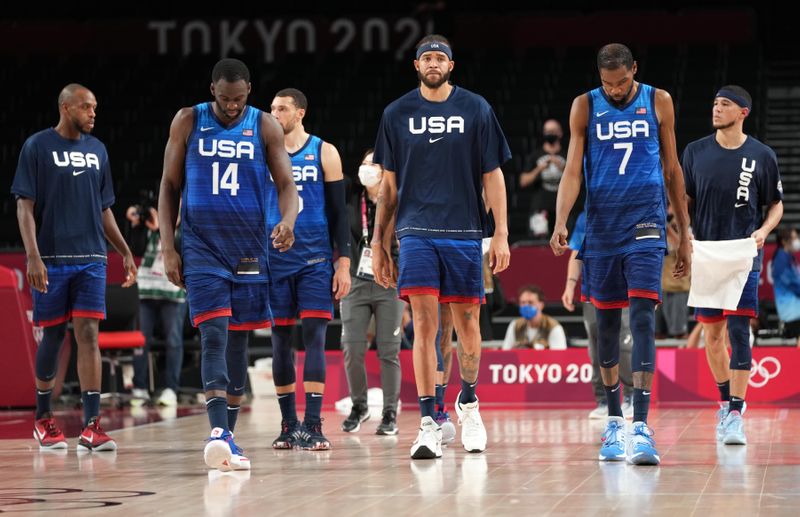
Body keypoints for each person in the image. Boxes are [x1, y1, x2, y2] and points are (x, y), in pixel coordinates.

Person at [371, 34, 511, 459]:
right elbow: (389, 188)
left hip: (465, 233)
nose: (433, 63)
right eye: (426, 58)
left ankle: (468, 403)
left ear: (452, 65)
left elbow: (494, 176)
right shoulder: (396, 113)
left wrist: (500, 232)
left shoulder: (475, 108)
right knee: (425, 328)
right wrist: (379, 243)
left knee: (468, 329)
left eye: (440, 58)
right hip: (414, 232)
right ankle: (429, 421)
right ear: (416, 65)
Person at [550, 43, 691, 465]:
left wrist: (684, 232)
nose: (614, 90)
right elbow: (573, 170)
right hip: (601, 225)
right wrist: (561, 221)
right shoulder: (584, 106)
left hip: (646, 223)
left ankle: (642, 425)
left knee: (644, 316)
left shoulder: (658, 99)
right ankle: (614, 421)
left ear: (635, 70)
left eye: (622, 82)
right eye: (607, 84)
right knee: (607, 322)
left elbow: (671, 168)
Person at [158, 59, 298, 471]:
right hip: (202, 246)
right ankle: (217, 431)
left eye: (239, 99)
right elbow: (168, 186)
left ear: (249, 91)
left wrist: (287, 222)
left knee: (237, 339)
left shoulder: (266, 126)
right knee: (214, 334)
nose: (232, 106)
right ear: (212, 90)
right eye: (225, 98)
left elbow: (287, 184)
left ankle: (228, 439)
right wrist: (169, 247)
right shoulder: (188, 120)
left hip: (250, 248)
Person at [12, 83, 137, 451]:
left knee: (88, 336)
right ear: (66, 108)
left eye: (95, 107)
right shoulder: (36, 146)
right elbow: (24, 207)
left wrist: (125, 250)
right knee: (53, 336)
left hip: (92, 260)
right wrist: (32, 254)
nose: (93, 113)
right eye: (86, 107)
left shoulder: (98, 150)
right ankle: (43, 417)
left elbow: (105, 209)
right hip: (50, 259)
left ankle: (91, 425)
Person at [682, 85, 783, 445]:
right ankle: (725, 402)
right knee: (712, 336)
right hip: (707, 252)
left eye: (724, 104)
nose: (716, 108)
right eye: (714, 103)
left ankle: (737, 412)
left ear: (743, 112)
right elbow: (684, 200)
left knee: (739, 334)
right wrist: (685, 233)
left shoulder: (762, 155)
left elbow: (775, 204)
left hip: (742, 253)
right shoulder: (694, 151)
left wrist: (764, 231)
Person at [267, 88, 351, 451]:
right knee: (279, 342)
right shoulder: (262, 152)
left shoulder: (324, 151)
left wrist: (343, 261)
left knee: (316, 338)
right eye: (271, 109)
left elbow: (339, 212)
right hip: (273, 261)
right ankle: (288, 425)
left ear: (300, 112)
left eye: (281, 108)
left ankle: (314, 424)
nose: (274, 114)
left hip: (315, 260)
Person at [340, 149, 404, 436]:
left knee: (389, 352)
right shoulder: (351, 197)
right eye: (364, 163)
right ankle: (359, 405)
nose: (367, 168)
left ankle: (390, 412)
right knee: (352, 347)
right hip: (356, 281)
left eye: (374, 164)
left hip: (389, 283)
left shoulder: (397, 200)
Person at [561, 211, 633, 419]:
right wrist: (570, 285)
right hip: (594, 289)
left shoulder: (630, 209)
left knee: (625, 342)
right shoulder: (586, 216)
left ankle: (630, 396)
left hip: (625, 287)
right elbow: (576, 252)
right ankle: (603, 400)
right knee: (596, 345)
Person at [125, 202, 187, 407]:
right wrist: (136, 225)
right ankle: (140, 387)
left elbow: (180, 249)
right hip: (147, 291)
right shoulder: (151, 226)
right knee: (141, 341)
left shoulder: (185, 228)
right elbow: (136, 249)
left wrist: (162, 228)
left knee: (173, 340)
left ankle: (171, 388)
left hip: (172, 292)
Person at [520, 119, 566, 238]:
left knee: (563, 245)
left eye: (553, 131)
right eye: (547, 131)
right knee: (538, 247)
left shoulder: (568, 155)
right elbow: (523, 181)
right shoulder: (535, 155)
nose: (550, 134)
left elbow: (579, 180)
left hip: (563, 209)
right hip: (540, 209)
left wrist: (562, 167)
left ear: (560, 133)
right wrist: (539, 169)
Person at [655, 203, 691, 339]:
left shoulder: (687, 230)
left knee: (679, 333)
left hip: (678, 288)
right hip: (660, 287)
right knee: (657, 333)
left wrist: (668, 229)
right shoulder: (659, 228)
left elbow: (682, 247)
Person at [502, 285, 567, 350]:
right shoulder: (515, 325)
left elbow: (559, 356)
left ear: (541, 305)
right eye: (523, 302)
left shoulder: (553, 327)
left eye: (531, 302)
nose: (526, 306)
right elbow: (506, 352)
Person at [771, 227, 800, 347]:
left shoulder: (789, 258)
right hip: (792, 312)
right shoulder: (781, 259)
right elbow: (792, 283)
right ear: (784, 241)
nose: (797, 240)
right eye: (794, 238)